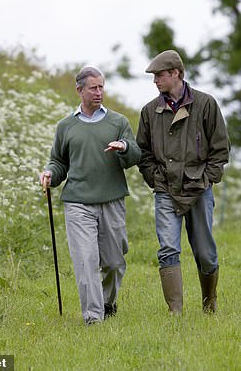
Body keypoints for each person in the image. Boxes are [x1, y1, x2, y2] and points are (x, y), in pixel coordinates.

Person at [40, 66, 141, 325]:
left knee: (114, 262)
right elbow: (59, 162)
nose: (99, 92)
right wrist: (50, 173)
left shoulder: (118, 122)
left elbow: (135, 156)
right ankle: (93, 318)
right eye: (93, 88)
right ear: (79, 90)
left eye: (101, 87)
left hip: (112, 200)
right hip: (78, 203)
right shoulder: (66, 126)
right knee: (86, 261)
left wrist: (124, 147)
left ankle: (108, 303)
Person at [136, 50, 230, 314]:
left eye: (159, 75)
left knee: (205, 253)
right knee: (167, 249)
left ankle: (209, 304)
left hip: (199, 190)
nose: (155, 81)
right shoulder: (149, 112)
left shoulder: (206, 104)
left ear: (175, 73)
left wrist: (208, 178)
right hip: (165, 190)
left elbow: (221, 149)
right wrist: (155, 179)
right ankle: (175, 314)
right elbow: (142, 153)